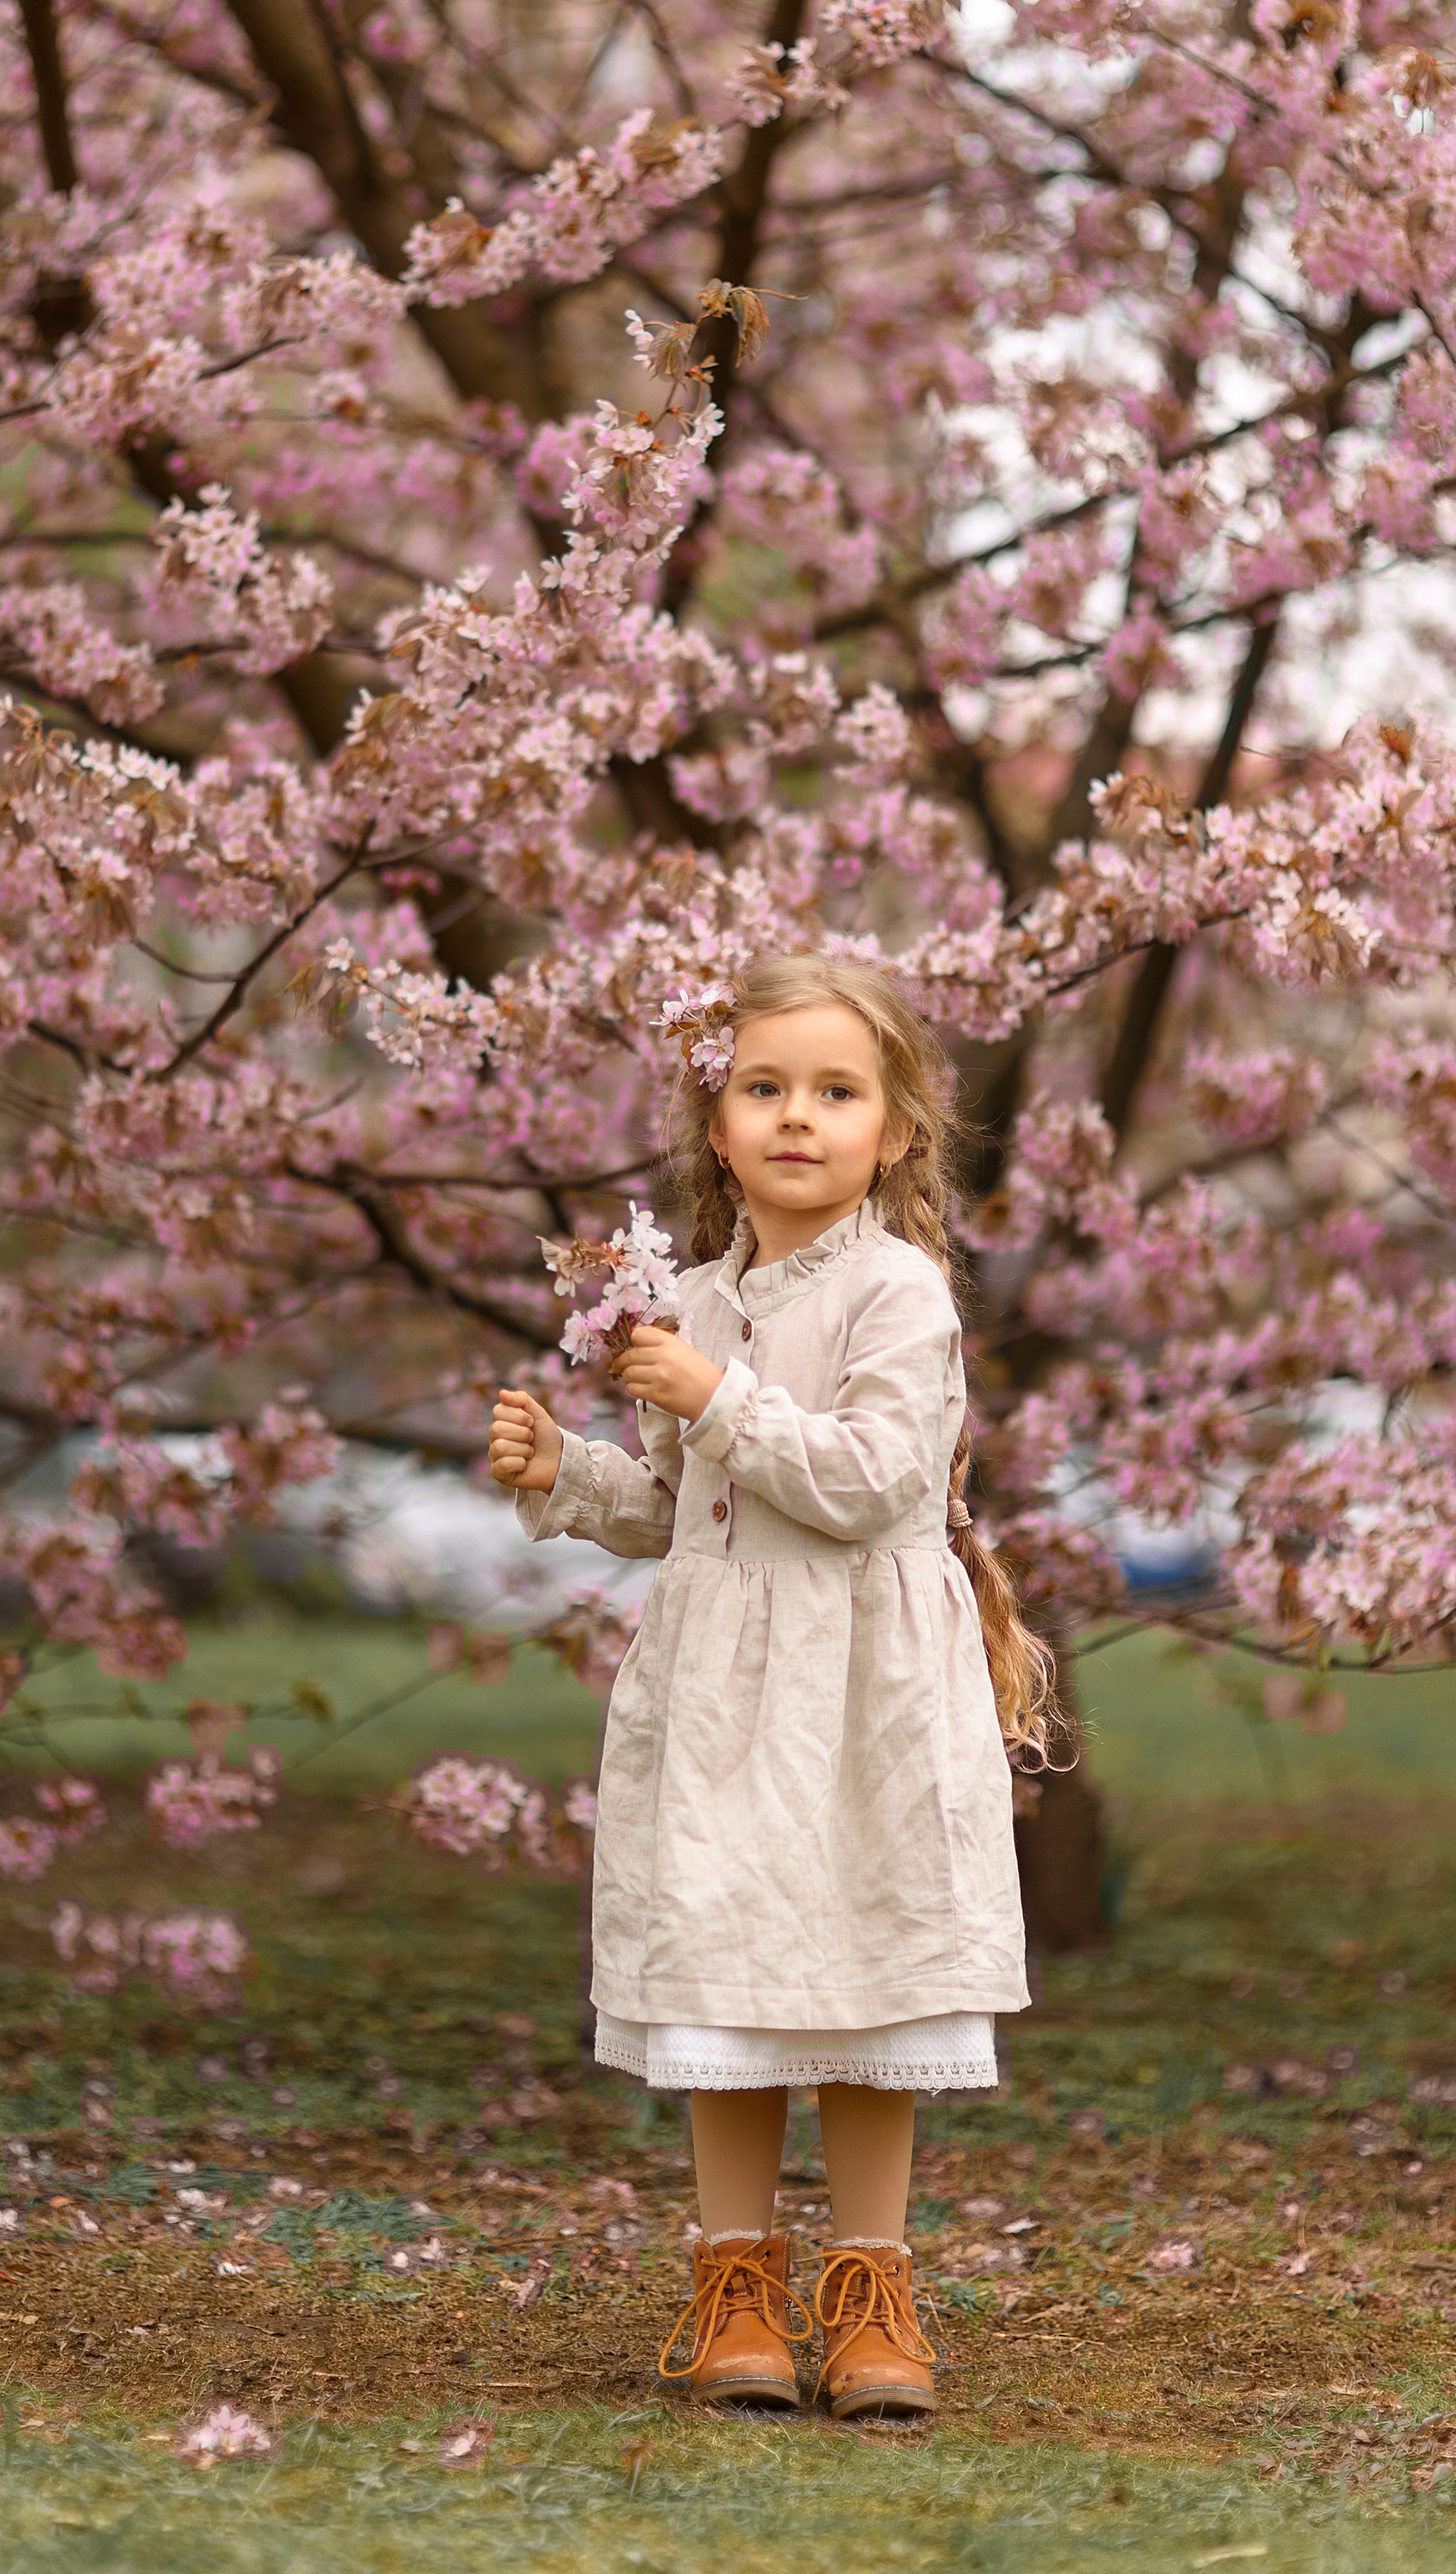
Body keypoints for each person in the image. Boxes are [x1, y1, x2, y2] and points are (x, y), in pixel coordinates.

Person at [486, 951, 1056, 2419]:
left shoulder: (898, 1292)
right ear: (718, 1124)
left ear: (897, 1130)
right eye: (764, 1087)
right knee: (728, 1970)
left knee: (865, 1977)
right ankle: (735, 2282)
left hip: (863, 1684)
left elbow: (872, 1482)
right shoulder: (686, 1300)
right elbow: (688, 1504)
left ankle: (871, 2294)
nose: (798, 1115)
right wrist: (569, 1472)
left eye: (837, 1090)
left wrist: (719, 1395)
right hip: (726, 1684)